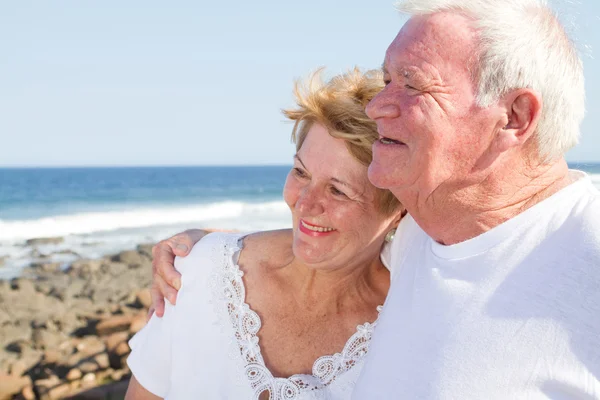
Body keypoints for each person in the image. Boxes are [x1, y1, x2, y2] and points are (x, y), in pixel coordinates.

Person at [150, 0, 600, 398]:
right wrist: (204, 248)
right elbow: (345, 232)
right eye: (387, 79)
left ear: (515, 116)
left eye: (413, 85)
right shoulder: (423, 234)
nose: (377, 106)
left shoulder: (588, 256)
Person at [125, 68, 404, 399]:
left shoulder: (408, 325)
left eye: (338, 191)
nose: (305, 203)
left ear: (397, 208)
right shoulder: (200, 272)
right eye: (301, 172)